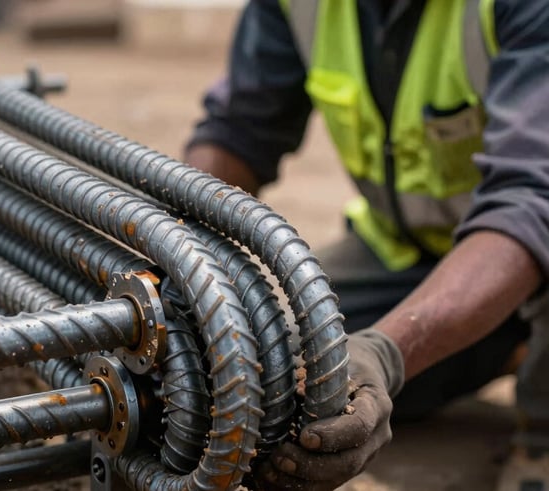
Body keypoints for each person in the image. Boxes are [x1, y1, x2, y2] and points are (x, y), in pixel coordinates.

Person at [184, 1, 549, 489]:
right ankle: (499, 342)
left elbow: (530, 202)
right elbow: (241, 130)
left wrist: (386, 353)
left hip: (522, 251)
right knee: (260, 376)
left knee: (367, 365)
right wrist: (177, 261)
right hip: (410, 254)